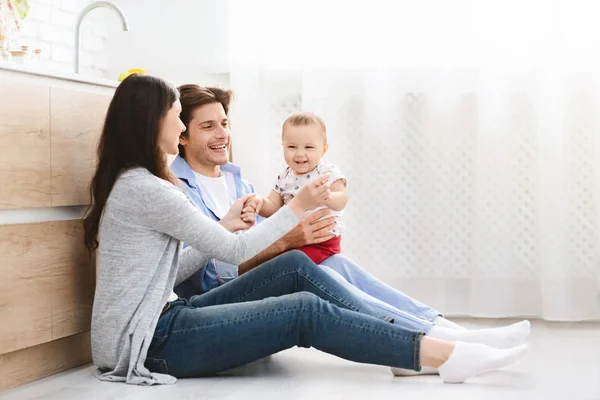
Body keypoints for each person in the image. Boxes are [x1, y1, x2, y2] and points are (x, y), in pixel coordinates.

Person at [84, 73, 528, 385]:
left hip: (161, 321)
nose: (181, 126)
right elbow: (234, 254)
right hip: (146, 343)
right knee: (303, 311)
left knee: (297, 265)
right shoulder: (149, 188)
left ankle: (416, 344)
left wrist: (223, 225)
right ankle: (441, 354)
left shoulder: (141, 184)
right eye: (178, 117)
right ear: (152, 123)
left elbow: (177, 266)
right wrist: (297, 207)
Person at [248, 112, 346, 265]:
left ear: (324, 149)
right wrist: (259, 203)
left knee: (290, 263)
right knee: (270, 263)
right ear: (283, 147)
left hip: (322, 241)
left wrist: (330, 197)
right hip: (293, 239)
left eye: (309, 147)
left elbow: (343, 198)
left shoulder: (327, 172)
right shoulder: (283, 176)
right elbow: (273, 208)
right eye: (292, 147)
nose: (300, 154)